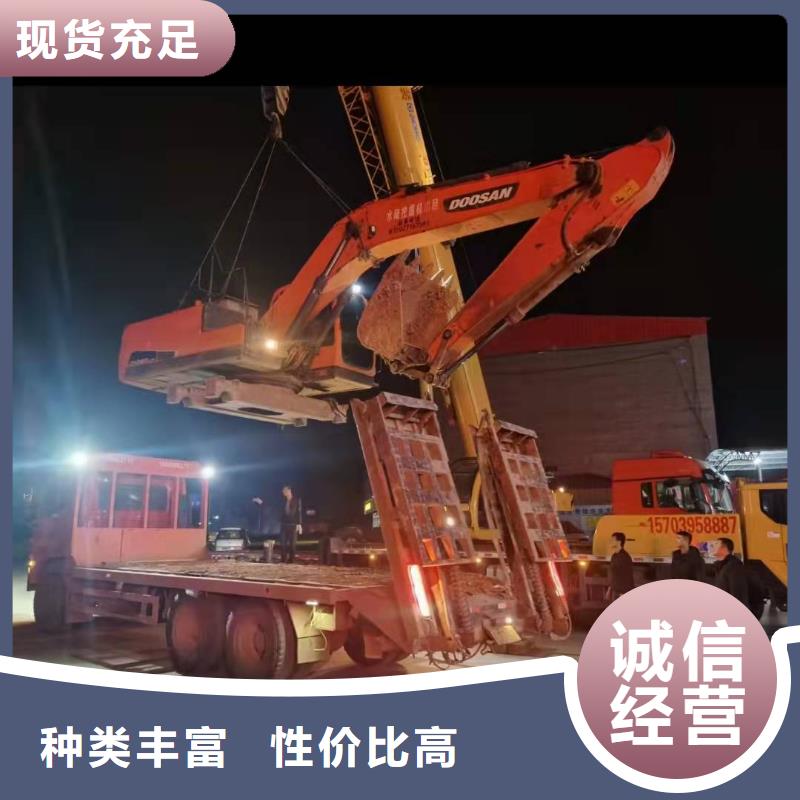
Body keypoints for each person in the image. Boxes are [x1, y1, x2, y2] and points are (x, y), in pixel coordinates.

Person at [713, 537, 749, 606]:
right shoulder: (721, 566)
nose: (712, 547)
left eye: (716, 544)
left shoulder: (734, 566)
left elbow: (738, 593)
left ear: (724, 548)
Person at [606, 531, 635, 602]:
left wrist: (624, 593)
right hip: (615, 591)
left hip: (621, 593)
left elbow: (628, 577)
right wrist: (609, 590)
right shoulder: (614, 556)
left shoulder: (624, 557)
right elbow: (613, 575)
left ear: (619, 542)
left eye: (612, 540)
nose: (610, 542)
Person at [280, 485, 302, 564]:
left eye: (284, 491)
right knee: (283, 543)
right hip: (284, 524)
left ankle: (291, 560)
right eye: (283, 491)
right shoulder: (282, 501)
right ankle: (283, 559)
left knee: (292, 544)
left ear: (289, 491)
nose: (283, 493)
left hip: (293, 524)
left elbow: (299, 512)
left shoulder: (296, 500)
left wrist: (299, 524)